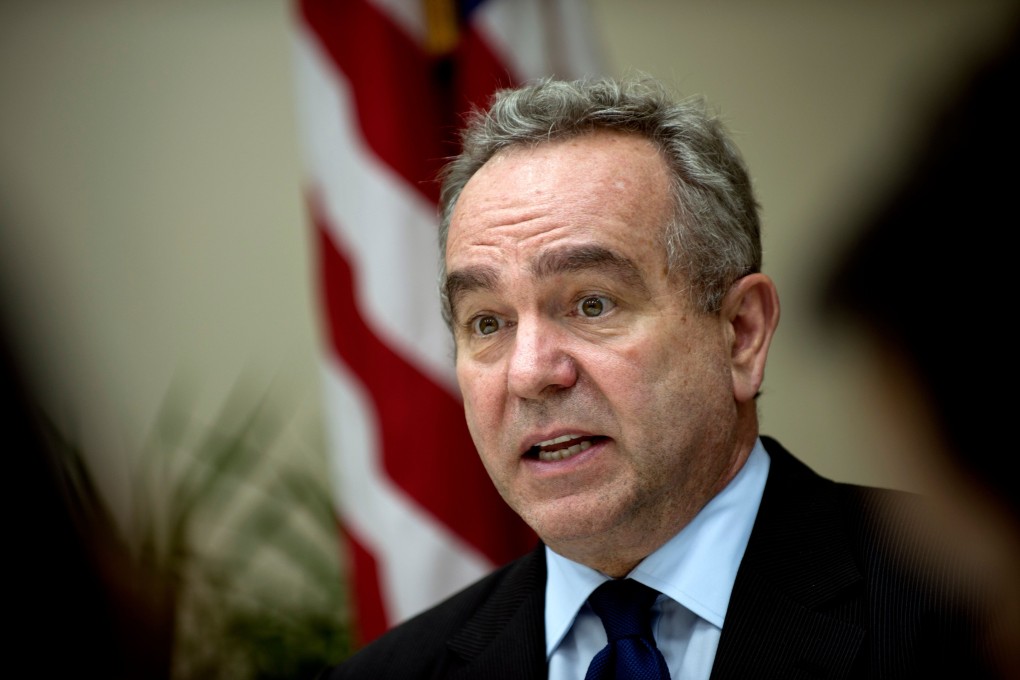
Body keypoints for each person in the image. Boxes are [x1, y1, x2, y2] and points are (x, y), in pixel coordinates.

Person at [320, 76, 997, 679]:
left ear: (741, 333)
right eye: (488, 323)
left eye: (592, 304)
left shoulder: (975, 610)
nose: (529, 374)